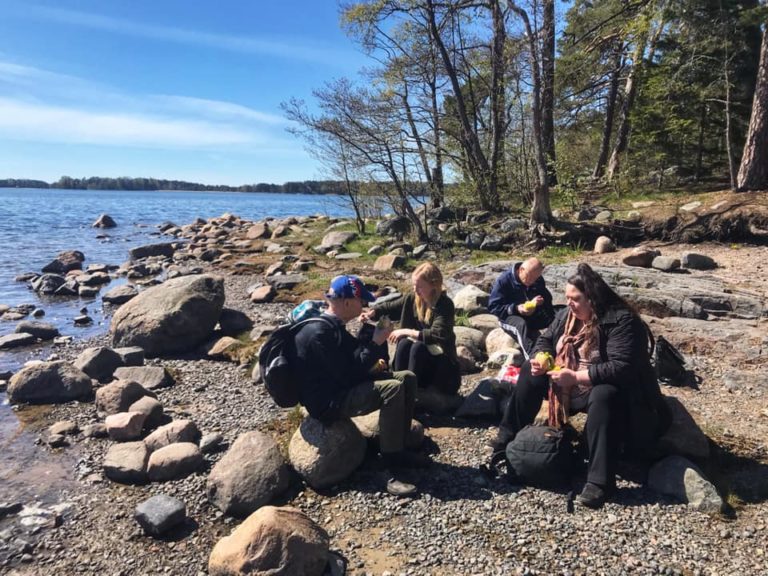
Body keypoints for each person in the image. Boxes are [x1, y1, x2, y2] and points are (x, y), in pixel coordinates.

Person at [489, 263, 670, 509]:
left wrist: (576, 377)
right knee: (529, 373)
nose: (570, 303)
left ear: (592, 299)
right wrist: (541, 358)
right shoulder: (567, 316)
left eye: (575, 299)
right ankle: (506, 437)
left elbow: (621, 368)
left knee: (604, 394)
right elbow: (544, 339)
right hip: (568, 383)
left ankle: (599, 482)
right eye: (567, 298)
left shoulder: (622, 321)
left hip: (615, 391)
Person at [293, 274, 428, 497]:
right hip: (329, 402)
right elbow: (349, 375)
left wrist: (370, 339)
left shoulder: (334, 325)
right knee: (392, 389)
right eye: (360, 301)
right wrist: (375, 342)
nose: (364, 305)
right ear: (346, 302)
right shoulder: (320, 333)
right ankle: (388, 465)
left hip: (340, 387)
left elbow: (352, 361)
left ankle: (398, 447)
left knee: (407, 378)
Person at [360, 262, 461, 395]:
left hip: (440, 363)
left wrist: (406, 331)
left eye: (419, 286)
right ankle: (398, 387)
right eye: (414, 285)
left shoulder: (445, 305)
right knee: (404, 344)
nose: (415, 289)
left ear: (433, 285)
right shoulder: (413, 299)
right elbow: (392, 307)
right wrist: (373, 313)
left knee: (418, 347)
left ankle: (412, 391)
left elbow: (438, 334)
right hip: (420, 359)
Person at [488, 257, 555, 357]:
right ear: (521, 270)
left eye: (535, 278)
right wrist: (516, 308)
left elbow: (547, 299)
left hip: (532, 314)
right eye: (529, 277)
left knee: (559, 314)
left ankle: (557, 349)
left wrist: (541, 302)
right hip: (510, 316)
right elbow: (494, 307)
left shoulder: (537, 279)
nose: (532, 281)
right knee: (521, 324)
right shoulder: (503, 281)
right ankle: (533, 357)